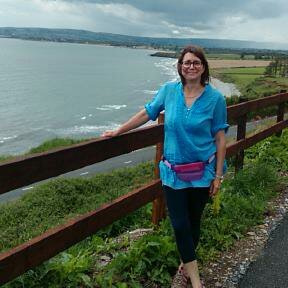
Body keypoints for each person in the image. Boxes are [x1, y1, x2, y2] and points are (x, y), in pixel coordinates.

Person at [102, 45, 229, 288]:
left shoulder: (215, 99)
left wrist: (218, 176)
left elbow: (220, 138)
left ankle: (184, 264)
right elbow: (147, 113)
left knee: (193, 223)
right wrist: (119, 129)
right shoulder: (169, 91)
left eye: (196, 63)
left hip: (203, 172)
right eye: (186, 62)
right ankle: (195, 280)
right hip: (173, 172)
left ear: (203, 67)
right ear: (180, 66)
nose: (191, 66)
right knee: (179, 223)